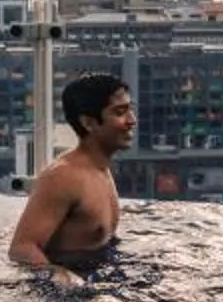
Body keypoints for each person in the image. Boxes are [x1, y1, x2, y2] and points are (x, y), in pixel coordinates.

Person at [8, 73, 134, 285]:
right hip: (72, 294)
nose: (132, 120)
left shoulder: (100, 169)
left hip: (99, 274)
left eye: (130, 109)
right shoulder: (64, 177)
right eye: (120, 112)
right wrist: (63, 280)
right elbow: (21, 248)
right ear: (88, 123)